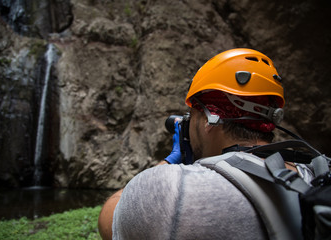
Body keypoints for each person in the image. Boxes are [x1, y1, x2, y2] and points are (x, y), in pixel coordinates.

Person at [98, 48, 309, 239]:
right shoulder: (313, 173)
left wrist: (172, 160)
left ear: (207, 118)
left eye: (191, 115)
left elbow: (108, 219)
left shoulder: (174, 192)